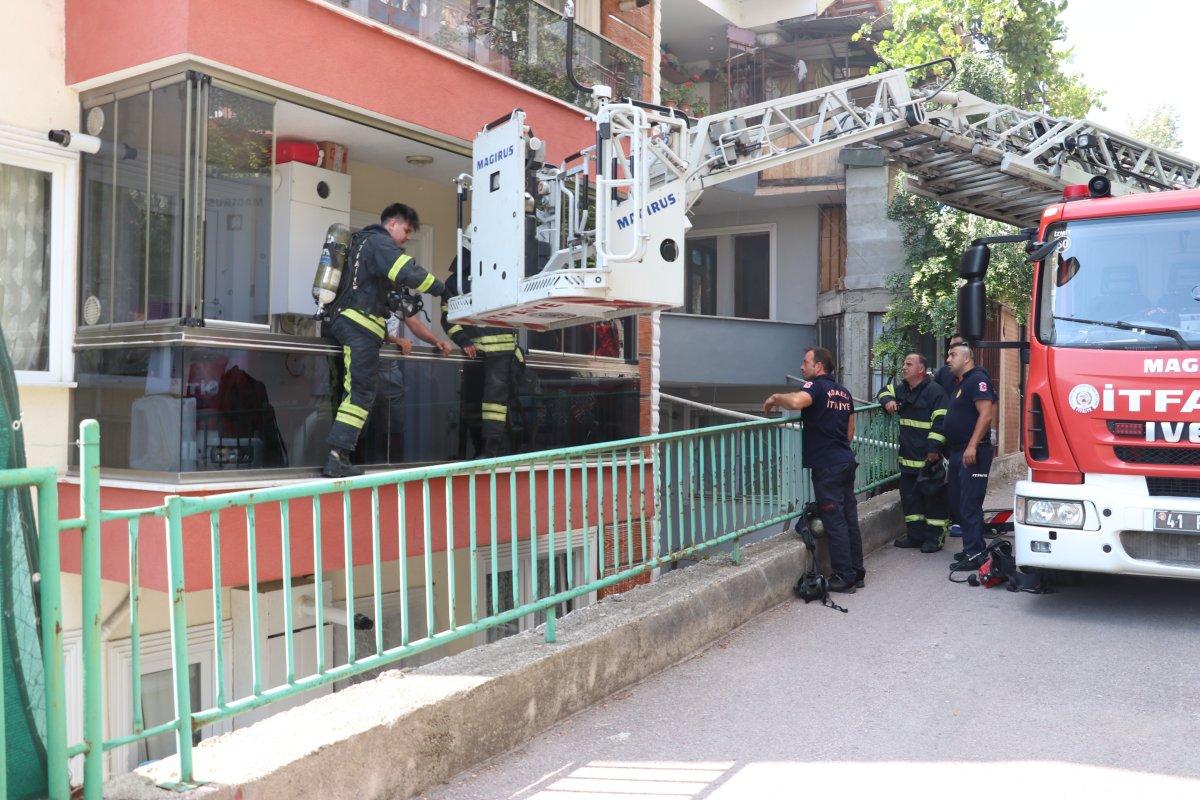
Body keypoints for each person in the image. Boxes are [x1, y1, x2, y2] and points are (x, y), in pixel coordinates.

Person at [321, 203, 451, 478]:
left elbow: (399, 303)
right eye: (406, 230)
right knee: (361, 393)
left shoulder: (361, 245)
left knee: (349, 392)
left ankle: (341, 454)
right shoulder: (380, 244)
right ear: (392, 224)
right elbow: (409, 273)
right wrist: (443, 289)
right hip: (360, 326)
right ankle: (337, 457)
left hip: (341, 322)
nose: (407, 237)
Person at [763, 347, 863, 593]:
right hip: (845, 460)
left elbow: (797, 402)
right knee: (849, 517)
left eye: (805, 362)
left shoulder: (814, 387)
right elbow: (850, 432)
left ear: (818, 367)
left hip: (827, 465)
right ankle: (857, 572)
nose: (801, 367)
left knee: (834, 520)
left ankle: (843, 576)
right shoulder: (844, 392)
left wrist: (776, 397)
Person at [440, 248, 526, 458]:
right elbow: (448, 317)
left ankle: (490, 451)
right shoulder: (495, 275)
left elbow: (447, 319)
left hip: (491, 354)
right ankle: (484, 451)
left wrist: (464, 340)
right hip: (484, 354)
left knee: (492, 405)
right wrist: (463, 341)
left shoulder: (457, 281)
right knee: (482, 404)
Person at [877, 352, 950, 553]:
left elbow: (941, 422)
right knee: (911, 500)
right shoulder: (902, 389)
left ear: (920, 369)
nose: (904, 367)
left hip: (929, 460)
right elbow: (883, 391)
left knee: (934, 501)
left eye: (908, 364)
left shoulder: (936, 392)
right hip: (908, 460)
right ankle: (915, 536)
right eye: (904, 363)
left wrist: (933, 450)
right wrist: (888, 401)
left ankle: (935, 539)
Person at [943, 342, 997, 570]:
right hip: (958, 450)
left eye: (952, 354)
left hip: (972, 450)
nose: (948, 359)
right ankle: (970, 548)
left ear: (967, 359)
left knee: (970, 502)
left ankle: (976, 554)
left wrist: (973, 445)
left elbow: (986, 415)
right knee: (958, 501)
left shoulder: (977, 379)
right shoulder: (962, 383)